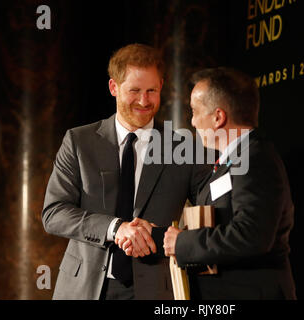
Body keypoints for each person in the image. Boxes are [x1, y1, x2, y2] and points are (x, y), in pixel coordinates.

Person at [42, 43, 210, 300]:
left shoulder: (185, 149)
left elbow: (211, 216)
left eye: (151, 90)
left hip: (156, 291)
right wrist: (115, 228)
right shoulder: (79, 141)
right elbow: (54, 213)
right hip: (82, 289)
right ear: (113, 88)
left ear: (161, 86)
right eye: (135, 90)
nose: (144, 101)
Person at [163, 67, 297, 299]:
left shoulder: (255, 158)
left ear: (218, 117)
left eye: (194, 112)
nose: (192, 122)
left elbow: (252, 234)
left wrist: (184, 243)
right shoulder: (230, 162)